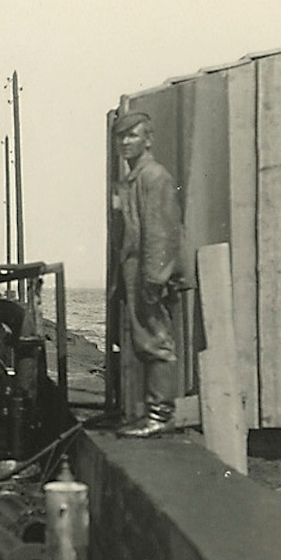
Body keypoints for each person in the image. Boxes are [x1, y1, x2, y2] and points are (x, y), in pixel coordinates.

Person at [113, 108, 185, 437]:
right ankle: (152, 414)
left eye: (133, 135)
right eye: (121, 136)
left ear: (148, 139)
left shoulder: (154, 177)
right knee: (144, 339)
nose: (126, 141)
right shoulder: (133, 178)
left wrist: (155, 278)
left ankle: (160, 416)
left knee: (156, 341)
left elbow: (162, 232)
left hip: (148, 272)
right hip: (135, 270)